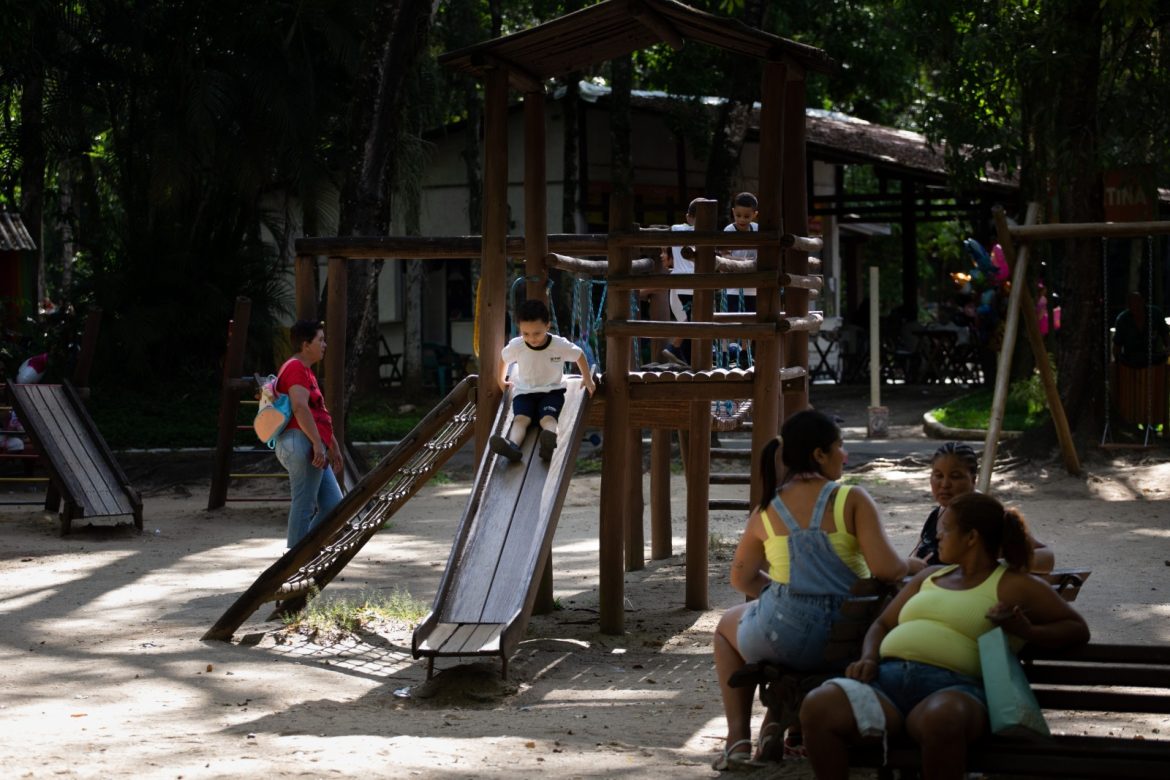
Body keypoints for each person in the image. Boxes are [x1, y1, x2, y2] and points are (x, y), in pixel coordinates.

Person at [800, 491, 1090, 779]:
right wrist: (868, 658)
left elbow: (1076, 629)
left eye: (946, 530)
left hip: (956, 689)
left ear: (972, 537)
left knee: (942, 719)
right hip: (885, 683)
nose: (938, 537)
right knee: (818, 705)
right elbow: (882, 625)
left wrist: (1025, 630)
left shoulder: (1015, 584)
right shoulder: (929, 576)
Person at [711, 410, 908, 771]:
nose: (845, 455)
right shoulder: (851, 500)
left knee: (725, 628)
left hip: (780, 635)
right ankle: (781, 726)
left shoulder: (767, 510)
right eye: (840, 446)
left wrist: (782, 593)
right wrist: (916, 565)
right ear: (820, 454)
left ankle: (737, 738)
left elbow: (741, 579)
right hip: (850, 641)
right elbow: (887, 569)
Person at [909, 442, 1054, 574]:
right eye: (938, 475)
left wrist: (990, 568)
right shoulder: (937, 514)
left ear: (973, 479)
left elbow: (1046, 557)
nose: (945, 484)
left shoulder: (987, 516)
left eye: (955, 476)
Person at [489, 298, 596, 463]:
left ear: (547, 326)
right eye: (526, 334)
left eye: (537, 333)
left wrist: (587, 378)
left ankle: (548, 442)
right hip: (525, 392)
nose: (532, 338)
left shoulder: (559, 344)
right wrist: (501, 380)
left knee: (548, 418)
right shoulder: (518, 345)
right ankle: (512, 447)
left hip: (552, 391)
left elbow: (579, 355)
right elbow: (504, 358)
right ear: (520, 330)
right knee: (520, 419)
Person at [274, 320, 343, 549]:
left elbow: (316, 412)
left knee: (333, 504)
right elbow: (300, 408)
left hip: (312, 442)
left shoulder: (306, 371)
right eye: (320, 340)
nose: (324, 344)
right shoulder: (295, 368)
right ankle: (293, 564)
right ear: (306, 345)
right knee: (304, 504)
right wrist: (317, 444)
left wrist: (332, 445)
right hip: (300, 441)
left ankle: (305, 551)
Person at [661, 198, 699, 367]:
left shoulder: (676, 229)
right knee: (692, 319)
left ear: (688, 216)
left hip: (680, 282)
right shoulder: (704, 234)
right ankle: (674, 346)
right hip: (692, 284)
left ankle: (687, 358)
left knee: (690, 319)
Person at [721, 191, 759, 315]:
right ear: (733, 212)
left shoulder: (758, 230)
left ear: (754, 215)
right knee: (734, 322)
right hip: (733, 287)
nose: (742, 219)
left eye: (746, 216)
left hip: (754, 287)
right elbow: (724, 256)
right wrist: (745, 263)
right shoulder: (729, 230)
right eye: (738, 215)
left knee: (753, 321)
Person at [1113, 290, 1169, 368]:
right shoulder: (1122, 319)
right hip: (1130, 360)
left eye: (1138, 302)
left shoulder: (1155, 314)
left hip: (1152, 358)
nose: (1136, 306)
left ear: (1143, 302)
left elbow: (1165, 334)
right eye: (1132, 304)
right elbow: (1117, 344)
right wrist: (1117, 363)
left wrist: (1167, 349)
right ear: (1129, 306)